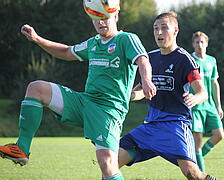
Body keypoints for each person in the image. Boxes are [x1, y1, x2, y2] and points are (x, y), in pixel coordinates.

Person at [0, 5, 156, 180]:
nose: (100, 22)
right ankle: (21, 148)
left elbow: (143, 61)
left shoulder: (126, 39)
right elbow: (67, 51)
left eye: (105, 16)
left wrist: (146, 80)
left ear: (116, 15)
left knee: (107, 165)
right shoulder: (93, 43)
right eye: (96, 17)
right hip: (84, 102)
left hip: (108, 110)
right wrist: (37, 39)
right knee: (36, 88)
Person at [117, 12, 217, 180]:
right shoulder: (149, 58)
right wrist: (128, 95)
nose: (159, 33)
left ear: (175, 31)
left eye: (164, 28)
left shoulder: (185, 60)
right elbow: (142, 89)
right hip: (151, 126)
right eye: (155, 29)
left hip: (175, 125)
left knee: (192, 174)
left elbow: (203, 92)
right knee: (110, 161)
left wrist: (195, 98)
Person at [190, 31, 224, 172]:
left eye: (202, 42)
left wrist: (218, 105)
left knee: (219, 135)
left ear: (207, 44)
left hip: (209, 106)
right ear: (193, 44)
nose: (199, 45)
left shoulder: (212, 61)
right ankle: (202, 174)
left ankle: (196, 160)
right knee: (197, 143)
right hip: (196, 107)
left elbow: (214, 83)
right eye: (197, 42)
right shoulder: (190, 60)